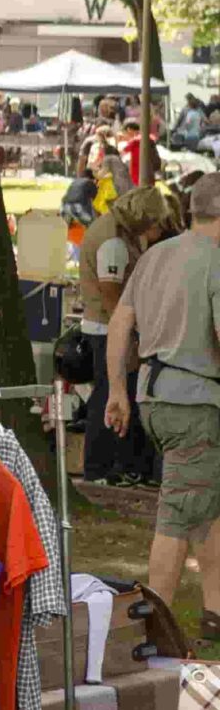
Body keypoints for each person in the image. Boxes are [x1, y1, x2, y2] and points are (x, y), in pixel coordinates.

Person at [104, 174, 220, 639]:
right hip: (194, 404)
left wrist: (116, 390)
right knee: (177, 515)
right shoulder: (215, 260)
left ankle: (214, 612)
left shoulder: (156, 254)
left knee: (206, 508)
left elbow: (118, 325)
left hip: (154, 396)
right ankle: (155, 627)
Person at [80, 186, 170, 487]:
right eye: (155, 222)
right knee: (109, 398)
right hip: (107, 331)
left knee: (108, 397)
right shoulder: (114, 241)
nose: (156, 229)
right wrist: (130, 332)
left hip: (106, 328)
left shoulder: (114, 230)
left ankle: (109, 466)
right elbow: (110, 292)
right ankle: (99, 468)